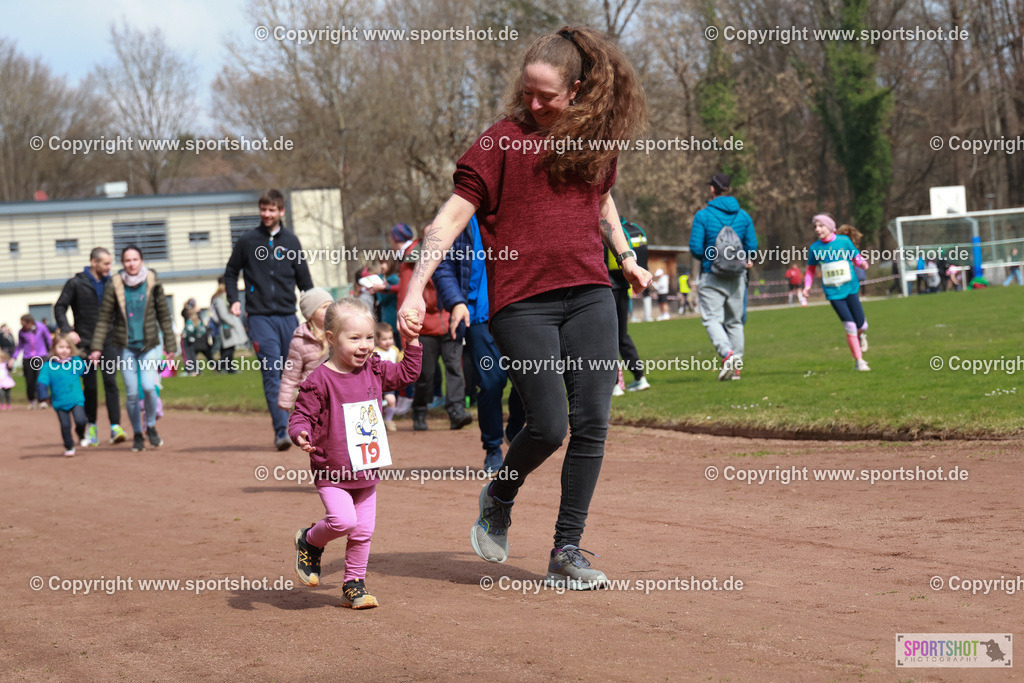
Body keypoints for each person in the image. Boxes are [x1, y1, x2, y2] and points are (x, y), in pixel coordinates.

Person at [397, 26, 650, 589]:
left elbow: (603, 201)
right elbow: (450, 219)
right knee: (550, 424)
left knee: (593, 423)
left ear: (578, 91)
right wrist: (416, 290)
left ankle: (567, 548)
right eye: (527, 92)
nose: (533, 105)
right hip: (522, 305)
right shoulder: (500, 143)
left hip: (590, 294)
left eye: (547, 96)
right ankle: (501, 493)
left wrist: (626, 256)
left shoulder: (594, 140)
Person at [289, 298, 423, 609]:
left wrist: (412, 341)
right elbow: (300, 416)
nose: (364, 346)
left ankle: (353, 585)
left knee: (363, 531)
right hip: (332, 471)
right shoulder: (319, 379)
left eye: (369, 337)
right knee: (343, 521)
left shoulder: (374, 368)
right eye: (354, 338)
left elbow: (406, 374)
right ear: (331, 339)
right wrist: (301, 433)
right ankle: (309, 539)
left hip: (366, 469)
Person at [433, 214, 528, 472]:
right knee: (491, 382)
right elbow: (441, 263)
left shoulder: (518, 203)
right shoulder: (461, 213)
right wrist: (456, 301)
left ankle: (515, 426)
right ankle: (493, 447)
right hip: (478, 315)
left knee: (529, 377)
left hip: (521, 311)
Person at [224, 189, 314, 450]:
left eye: (271, 209)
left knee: (298, 373)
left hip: (288, 316)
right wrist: (235, 299)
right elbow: (230, 273)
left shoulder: (291, 242)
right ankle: (280, 431)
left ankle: (304, 425)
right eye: (263, 209)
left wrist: (314, 314)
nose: (266, 214)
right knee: (272, 372)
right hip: (260, 318)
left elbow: (305, 283)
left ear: (281, 211)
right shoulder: (248, 241)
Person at [89, 245, 178, 451]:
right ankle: (137, 433)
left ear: (141, 261)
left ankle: (151, 427)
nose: (131, 264)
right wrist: (96, 348)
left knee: (148, 386)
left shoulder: (152, 281)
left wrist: (170, 345)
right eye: (127, 260)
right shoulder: (115, 284)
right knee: (131, 393)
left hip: (150, 345)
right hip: (126, 346)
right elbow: (104, 319)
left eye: (135, 259)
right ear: (123, 263)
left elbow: (164, 314)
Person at [396, 225, 472, 432]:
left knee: (454, 368)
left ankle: (456, 411)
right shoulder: (412, 260)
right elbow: (404, 295)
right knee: (425, 374)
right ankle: (419, 411)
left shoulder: (453, 253)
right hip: (425, 327)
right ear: (423, 237)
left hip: (450, 322)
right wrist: (406, 334)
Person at [689, 173, 757, 381]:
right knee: (735, 322)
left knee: (712, 319)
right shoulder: (743, 216)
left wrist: (712, 260)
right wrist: (744, 260)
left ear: (712, 190)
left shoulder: (703, 216)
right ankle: (736, 366)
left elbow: (695, 248)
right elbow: (752, 248)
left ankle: (727, 354)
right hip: (737, 277)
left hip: (712, 275)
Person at [54, 247, 126, 445]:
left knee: (111, 383)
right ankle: (92, 426)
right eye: (106, 263)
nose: (109, 267)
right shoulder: (75, 283)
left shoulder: (112, 282)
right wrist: (68, 330)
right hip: (84, 343)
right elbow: (60, 306)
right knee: (91, 387)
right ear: (93, 262)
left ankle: (115, 427)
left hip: (109, 341)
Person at [801, 214, 871, 371]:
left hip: (851, 289)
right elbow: (811, 270)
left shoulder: (843, 241)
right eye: (815, 226)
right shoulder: (815, 248)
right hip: (833, 293)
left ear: (830, 227)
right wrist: (807, 286)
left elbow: (855, 256)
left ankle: (861, 335)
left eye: (821, 226)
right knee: (850, 326)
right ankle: (859, 361)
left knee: (862, 325)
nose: (817, 229)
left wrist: (862, 263)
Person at [604, 216, 649, 394]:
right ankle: (640, 377)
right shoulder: (627, 228)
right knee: (622, 335)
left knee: (608, 337)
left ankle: (615, 384)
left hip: (608, 287)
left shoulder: (606, 231)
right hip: (623, 287)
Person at [278, 288, 333, 412]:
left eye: (331, 306)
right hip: (311, 398)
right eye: (324, 307)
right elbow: (291, 374)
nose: (330, 310)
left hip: (337, 395)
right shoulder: (299, 342)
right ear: (311, 313)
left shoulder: (339, 334)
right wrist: (286, 400)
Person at [36, 333, 88, 457]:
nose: (64, 350)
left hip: (76, 399)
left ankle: (80, 434)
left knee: (81, 420)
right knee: (65, 425)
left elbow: (84, 371)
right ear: (54, 348)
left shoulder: (75, 361)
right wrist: (43, 398)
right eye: (61, 347)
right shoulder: (48, 366)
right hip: (59, 402)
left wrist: (81, 360)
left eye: (67, 347)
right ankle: (69, 446)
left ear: (71, 348)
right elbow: (42, 382)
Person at [13, 314, 52, 408]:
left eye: (24, 324)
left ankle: (43, 400)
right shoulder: (21, 332)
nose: (23, 326)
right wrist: (13, 358)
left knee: (41, 378)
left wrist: (51, 352)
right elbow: (19, 346)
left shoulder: (41, 327)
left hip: (41, 356)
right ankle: (32, 400)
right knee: (29, 380)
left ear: (30, 322)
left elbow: (49, 339)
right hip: (27, 358)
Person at [210, 275, 248, 373]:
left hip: (229, 326)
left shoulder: (222, 298)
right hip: (228, 327)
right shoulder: (219, 299)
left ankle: (229, 368)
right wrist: (235, 323)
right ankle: (220, 366)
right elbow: (223, 315)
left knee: (229, 348)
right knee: (228, 349)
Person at [373, 322, 400, 432]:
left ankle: (388, 420)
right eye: (384, 339)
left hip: (389, 383)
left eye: (390, 338)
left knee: (391, 400)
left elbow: (398, 364)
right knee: (376, 404)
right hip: (376, 383)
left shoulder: (395, 350)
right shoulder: (374, 351)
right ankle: (377, 422)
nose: (388, 341)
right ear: (377, 339)